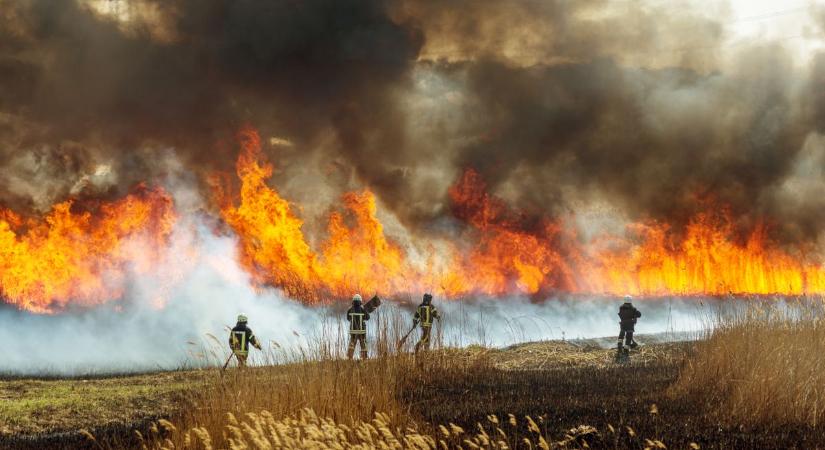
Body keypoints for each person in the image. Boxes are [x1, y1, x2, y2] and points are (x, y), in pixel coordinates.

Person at [346, 294, 370, 359]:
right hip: (362, 330)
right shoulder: (363, 309)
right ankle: (364, 357)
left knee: (352, 341)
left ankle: (350, 356)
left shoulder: (350, 309)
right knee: (363, 342)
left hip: (353, 330)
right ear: (360, 301)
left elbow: (348, 319)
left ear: (353, 301)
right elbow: (368, 318)